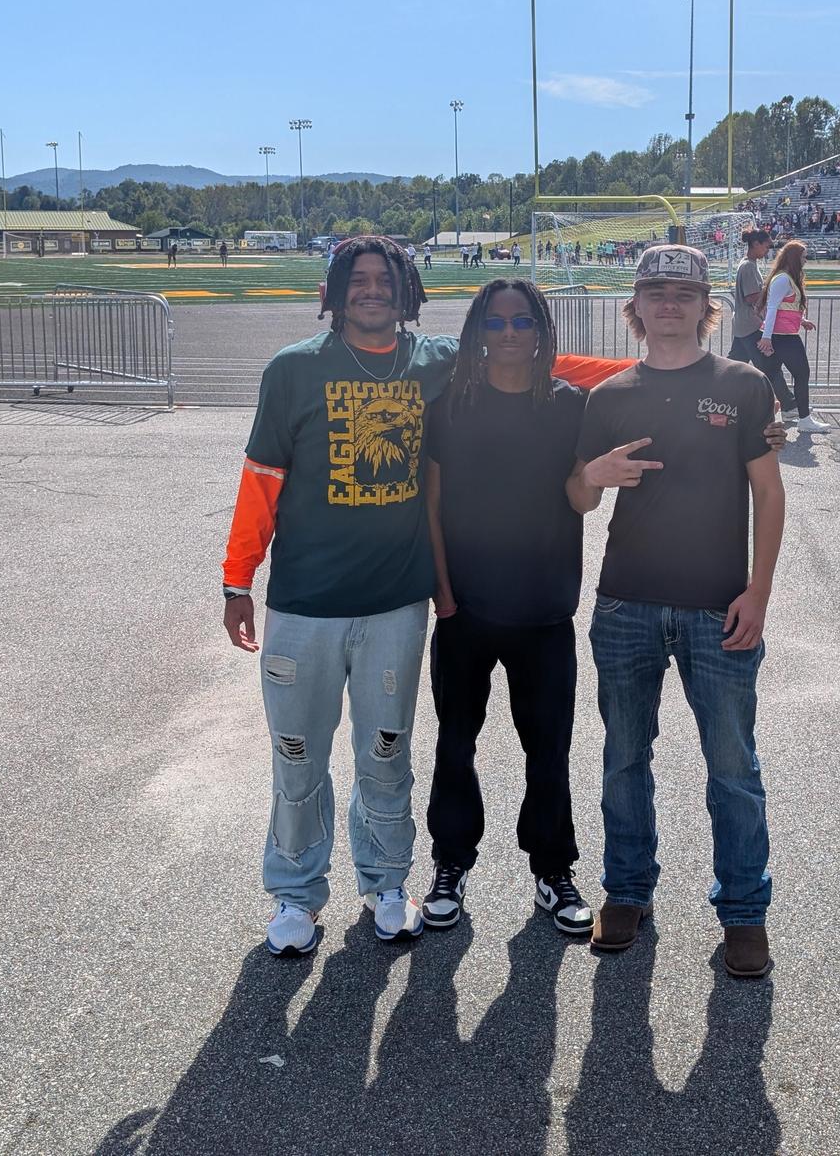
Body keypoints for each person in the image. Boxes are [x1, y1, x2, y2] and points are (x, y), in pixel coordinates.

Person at [222, 235, 629, 959]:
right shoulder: (293, 370)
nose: (372, 290)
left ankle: (386, 883)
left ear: (407, 292)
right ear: (335, 289)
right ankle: (296, 892)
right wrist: (237, 577)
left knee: (386, 753)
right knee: (298, 756)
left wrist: (675, 378)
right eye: (358, 279)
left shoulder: (432, 361)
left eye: (385, 279)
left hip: (396, 603)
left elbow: (547, 364)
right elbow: (262, 479)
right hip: (307, 602)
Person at [569, 243, 788, 981]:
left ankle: (744, 911)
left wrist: (758, 591)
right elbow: (578, 496)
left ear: (705, 307)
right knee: (624, 758)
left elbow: (769, 493)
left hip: (718, 605)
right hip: (626, 602)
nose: (669, 304)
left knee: (732, 766)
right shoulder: (610, 395)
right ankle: (627, 891)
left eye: (684, 294)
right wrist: (594, 475)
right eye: (656, 292)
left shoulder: (743, 384)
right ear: (634, 306)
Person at [421, 279, 595, 937]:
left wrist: (761, 409)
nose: (510, 333)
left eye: (523, 321)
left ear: (542, 331)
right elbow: (432, 502)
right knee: (455, 742)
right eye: (495, 323)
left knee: (548, 749)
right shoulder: (450, 405)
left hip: (544, 608)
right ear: (478, 333)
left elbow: (587, 490)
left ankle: (553, 869)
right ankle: (450, 863)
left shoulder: (570, 405)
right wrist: (442, 590)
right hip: (464, 607)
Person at [758, 240, 827, 433]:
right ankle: (804, 419)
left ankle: (786, 413)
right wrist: (766, 337)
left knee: (770, 376)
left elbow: (784, 307)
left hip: (782, 336)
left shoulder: (787, 278)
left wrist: (801, 320)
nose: (806, 260)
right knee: (801, 374)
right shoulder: (783, 280)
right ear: (794, 258)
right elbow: (772, 308)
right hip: (783, 338)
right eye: (803, 257)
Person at [728, 228, 773, 367]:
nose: (767, 251)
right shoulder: (748, 266)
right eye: (766, 246)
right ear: (755, 244)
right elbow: (751, 297)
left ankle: (717, 381)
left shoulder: (748, 263)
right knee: (770, 368)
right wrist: (769, 290)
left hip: (743, 324)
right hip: (751, 325)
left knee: (734, 368)